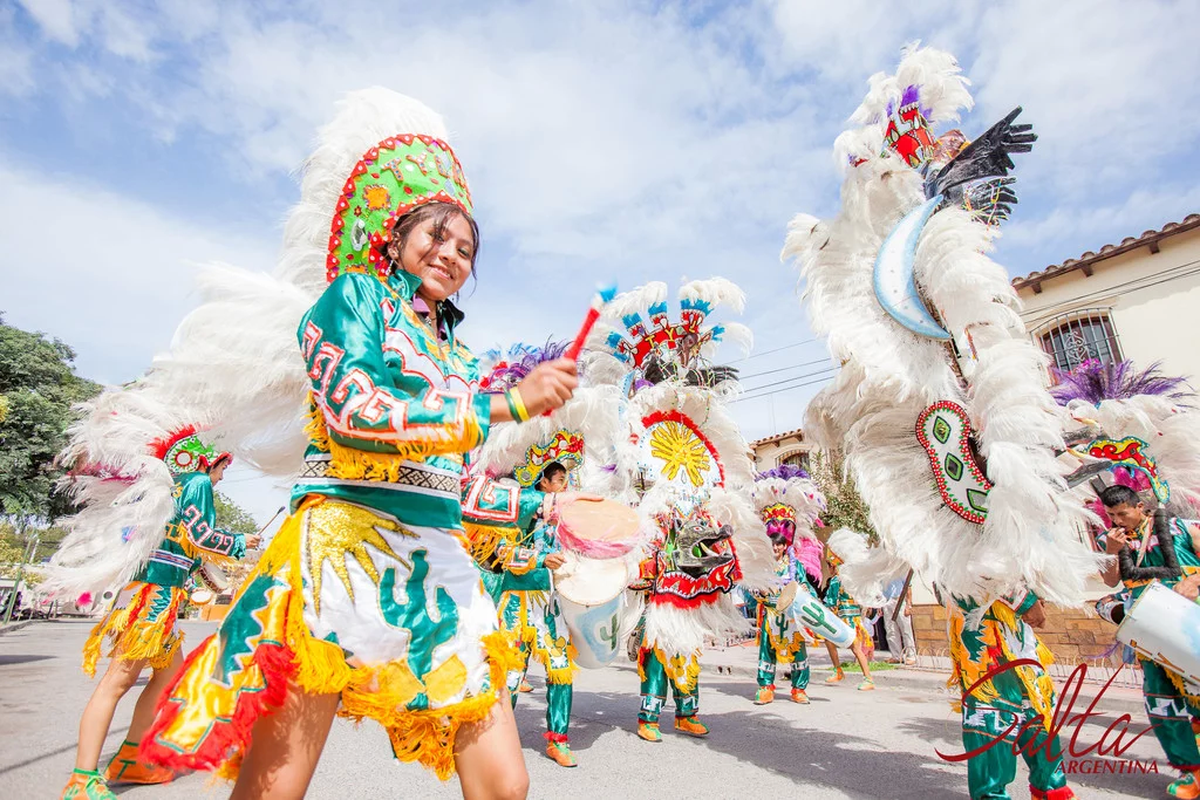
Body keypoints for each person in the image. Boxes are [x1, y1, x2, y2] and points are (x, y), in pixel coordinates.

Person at [139, 91, 579, 800]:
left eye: (466, 249)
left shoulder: (459, 357)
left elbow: (458, 483)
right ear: (396, 235)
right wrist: (508, 403)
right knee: (276, 786)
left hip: (439, 564)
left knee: (506, 784)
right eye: (436, 235)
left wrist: (555, 512)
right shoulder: (353, 300)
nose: (452, 254)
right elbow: (358, 415)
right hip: (340, 551)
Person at [62, 433, 258, 800]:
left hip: (156, 596)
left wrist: (205, 572)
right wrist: (238, 542)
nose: (222, 476)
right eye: (223, 467)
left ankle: (132, 758)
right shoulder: (197, 483)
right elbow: (202, 535)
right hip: (153, 599)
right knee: (116, 684)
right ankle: (81, 779)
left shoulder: (171, 492)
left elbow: (184, 547)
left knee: (168, 681)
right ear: (207, 462)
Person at [1098, 485, 1200, 799]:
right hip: (1152, 632)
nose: (1117, 520)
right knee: (1160, 703)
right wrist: (1112, 552)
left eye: (1122, 513)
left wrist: (1194, 580)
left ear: (1140, 507)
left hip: (1190, 623)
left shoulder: (1178, 527)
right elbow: (1110, 581)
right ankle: (1192, 773)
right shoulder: (1110, 539)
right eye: (1111, 515)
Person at [476, 461, 579, 768]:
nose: (563, 485)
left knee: (561, 669)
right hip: (515, 603)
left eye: (565, 480)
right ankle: (493, 741)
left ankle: (558, 740)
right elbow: (502, 554)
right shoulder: (513, 511)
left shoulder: (565, 519)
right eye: (558, 480)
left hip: (549, 604)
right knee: (509, 675)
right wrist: (541, 558)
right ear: (542, 482)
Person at [946, 588, 1075, 800]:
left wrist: (1035, 593)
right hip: (981, 631)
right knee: (993, 715)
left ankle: (1051, 790)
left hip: (1015, 632)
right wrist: (1026, 602)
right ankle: (992, 795)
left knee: (1035, 709)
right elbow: (958, 575)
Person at [752, 533, 813, 705]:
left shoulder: (795, 566)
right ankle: (765, 688)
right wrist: (760, 591)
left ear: (784, 546)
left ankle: (799, 689)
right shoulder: (763, 567)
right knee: (767, 651)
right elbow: (752, 589)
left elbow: (805, 585)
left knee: (798, 651)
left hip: (792, 616)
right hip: (771, 614)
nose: (775, 548)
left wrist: (803, 589)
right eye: (772, 544)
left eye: (778, 544)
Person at [822, 547, 875, 690]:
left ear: (833, 565)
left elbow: (831, 602)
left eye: (828, 565)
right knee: (829, 640)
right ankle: (839, 671)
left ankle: (867, 678)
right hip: (854, 619)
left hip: (846, 621)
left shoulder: (835, 581)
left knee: (856, 649)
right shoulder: (851, 579)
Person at [881, 573, 916, 665]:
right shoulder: (881, 572)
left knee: (905, 629)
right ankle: (896, 656)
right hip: (886, 601)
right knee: (890, 630)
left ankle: (911, 656)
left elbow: (908, 587)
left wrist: (909, 605)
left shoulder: (900, 571)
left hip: (899, 600)